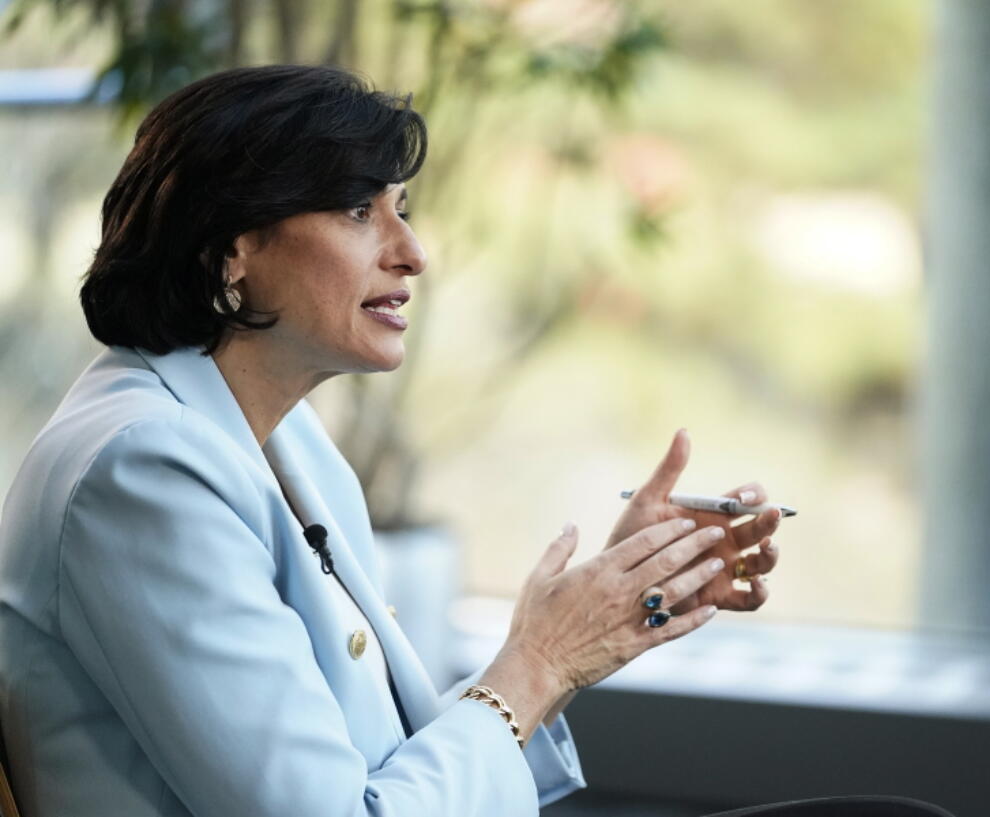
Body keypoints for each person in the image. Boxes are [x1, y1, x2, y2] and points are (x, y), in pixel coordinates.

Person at [0, 64, 782, 817]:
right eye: (357, 212)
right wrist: (542, 658)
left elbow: (383, 762)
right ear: (232, 247)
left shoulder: (282, 436)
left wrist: (616, 600)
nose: (411, 251)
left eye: (401, 207)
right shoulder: (143, 472)